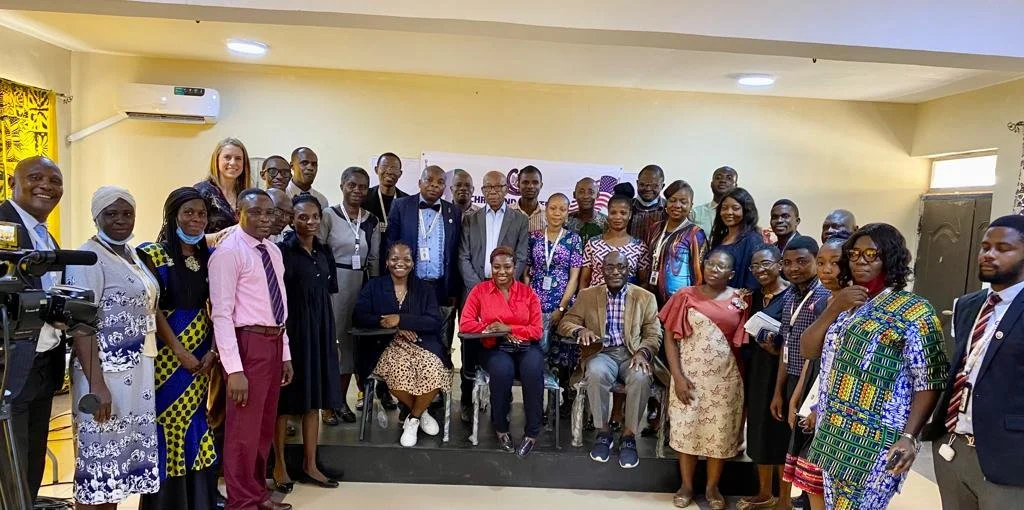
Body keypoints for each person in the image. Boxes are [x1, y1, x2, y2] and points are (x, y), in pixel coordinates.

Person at [801, 223, 948, 510]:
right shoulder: (844, 303)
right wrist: (834, 308)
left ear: (889, 258)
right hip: (835, 433)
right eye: (854, 253)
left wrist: (909, 437)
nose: (861, 260)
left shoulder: (915, 311)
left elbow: (929, 380)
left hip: (879, 439)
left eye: (872, 253)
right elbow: (809, 349)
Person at [67, 186, 161, 508]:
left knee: (118, 466)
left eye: (127, 213)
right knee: (99, 464)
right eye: (111, 213)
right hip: (105, 374)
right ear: (97, 217)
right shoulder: (88, 258)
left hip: (136, 373)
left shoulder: (130, 253)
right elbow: (81, 325)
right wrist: (97, 384)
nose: (121, 220)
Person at [924, 214, 1024, 509]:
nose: (989, 254)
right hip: (952, 444)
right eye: (985, 246)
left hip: (1007, 457)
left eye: (1003, 248)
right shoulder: (969, 305)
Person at [209, 188, 295, 510]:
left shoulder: (272, 251)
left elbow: (279, 307)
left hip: (273, 341)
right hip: (247, 344)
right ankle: (242, 501)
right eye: (255, 212)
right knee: (243, 431)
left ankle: (257, 494)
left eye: (269, 213)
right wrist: (234, 370)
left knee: (261, 428)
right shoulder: (228, 252)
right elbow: (221, 314)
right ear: (238, 215)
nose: (263, 219)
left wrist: (284, 352)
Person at [137, 188, 219, 510]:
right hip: (166, 350)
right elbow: (151, 309)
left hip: (202, 350)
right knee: (167, 419)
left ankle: (198, 501)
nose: (196, 220)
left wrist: (212, 350)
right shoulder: (152, 255)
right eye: (189, 213)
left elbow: (219, 307)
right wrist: (179, 351)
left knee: (195, 417)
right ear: (173, 216)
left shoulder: (209, 257)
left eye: (201, 214)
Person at [557, 251, 665, 469]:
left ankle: (628, 436)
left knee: (641, 375)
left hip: (631, 353)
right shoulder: (588, 295)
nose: (615, 271)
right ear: (602, 270)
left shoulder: (645, 297)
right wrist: (580, 331)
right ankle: (603, 432)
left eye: (621, 267)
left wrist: (644, 352)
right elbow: (565, 322)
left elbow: (654, 333)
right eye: (609, 267)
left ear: (629, 270)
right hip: (601, 353)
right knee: (595, 373)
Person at [659, 249, 749, 510]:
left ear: (731, 274)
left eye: (721, 267)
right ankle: (686, 485)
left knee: (718, 435)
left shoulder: (740, 300)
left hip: (727, 379)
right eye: (710, 263)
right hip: (689, 378)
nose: (713, 269)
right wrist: (677, 376)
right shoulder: (685, 296)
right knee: (686, 430)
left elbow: (744, 341)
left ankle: (712, 487)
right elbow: (669, 338)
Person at [1, 156, 65, 503]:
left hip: (44, 363)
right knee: (8, 462)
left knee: (31, 459)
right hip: (9, 365)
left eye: (54, 180)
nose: (46, 186)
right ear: (14, 182)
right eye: (35, 177)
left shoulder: (45, 236)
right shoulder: (2, 226)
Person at [271, 194, 341, 491]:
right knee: (285, 402)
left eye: (315, 217)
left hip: (320, 330)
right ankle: (279, 466)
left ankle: (310, 464)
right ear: (291, 218)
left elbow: (328, 294)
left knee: (315, 399)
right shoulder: (281, 251)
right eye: (303, 217)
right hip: (293, 332)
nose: (310, 222)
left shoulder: (324, 252)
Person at [354, 242, 452, 447]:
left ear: (413, 263)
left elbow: (433, 321)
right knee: (397, 372)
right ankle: (421, 412)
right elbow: (359, 316)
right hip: (385, 344)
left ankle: (413, 418)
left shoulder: (424, 289)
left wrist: (401, 319)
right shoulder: (374, 286)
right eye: (395, 259)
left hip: (422, 343)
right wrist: (391, 326)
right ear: (387, 262)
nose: (401, 263)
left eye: (407, 259)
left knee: (435, 369)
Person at [765, 236, 831, 509]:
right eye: (788, 263)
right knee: (791, 445)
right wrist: (780, 391)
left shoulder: (825, 298)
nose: (794, 268)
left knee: (809, 450)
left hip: (814, 382)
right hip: (792, 377)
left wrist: (804, 397)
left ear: (816, 261)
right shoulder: (790, 295)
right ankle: (789, 501)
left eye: (802, 262)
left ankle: (806, 501)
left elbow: (815, 353)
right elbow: (787, 348)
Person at [460, 246, 545, 457]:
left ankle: (532, 432)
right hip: (494, 347)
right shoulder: (479, 291)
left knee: (533, 368)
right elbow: (465, 324)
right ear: (491, 267)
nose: (502, 272)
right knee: (502, 369)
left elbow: (537, 331)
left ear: (515, 267)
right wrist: (492, 328)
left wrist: (509, 328)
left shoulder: (528, 293)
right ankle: (501, 428)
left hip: (525, 346)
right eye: (496, 267)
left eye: (507, 266)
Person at [458, 171, 529, 417]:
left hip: (506, 290)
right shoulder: (471, 219)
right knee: (470, 341)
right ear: (483, 190)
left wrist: (502, 284)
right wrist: (480, 288)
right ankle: (467, 400)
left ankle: (503, 398)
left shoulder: (519, 220)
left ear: (507, 190)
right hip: (475, 288)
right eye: (488, 187)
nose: (494, 192)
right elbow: (463, 256)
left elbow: (520, 257)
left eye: (498, 187)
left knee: (501, 341)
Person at [782, 236, 844, 510]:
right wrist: (797, 397)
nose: (827, 269)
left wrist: (821, 407)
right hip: (813, 386)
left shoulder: (855, 305)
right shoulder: (823, 304)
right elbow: (812, 355)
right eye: (822, 263)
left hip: (835, 399)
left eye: (835, 263)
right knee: (810, 474)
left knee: (821, 474)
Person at [321, 166, 380, 425]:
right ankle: (326, 404)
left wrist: (376, 293)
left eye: (363, 187)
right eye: (352, 185)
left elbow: (375, 259)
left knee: (350, 349)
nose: (357, 191)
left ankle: (340, 401)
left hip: (361, 286)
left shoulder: (371, 221)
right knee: (331, 345)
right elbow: (319, 253)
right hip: (334, 286)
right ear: (342, 185)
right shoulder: (328, 216)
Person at [737, 245, 792, 510]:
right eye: (755, 266)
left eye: (766, 264)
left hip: (782, 372)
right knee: (758, 432)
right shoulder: (754, 297)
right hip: (758, 371)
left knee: (780, 435)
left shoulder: (793, 295)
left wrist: (777, 345)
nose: (760, 270)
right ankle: (763, 493)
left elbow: (796, 339)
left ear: (780, 264)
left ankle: (784, 499)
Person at [524, 194, 583, 380]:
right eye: (553, 208)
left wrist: (562, 307)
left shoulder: (573, 239)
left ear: (567, 214)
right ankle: (535, 398)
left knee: (562, 355)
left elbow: (574, 277)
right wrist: (529, 301)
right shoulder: (533, 237)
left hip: (562, 302)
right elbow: (526, 272)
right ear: (545, 210)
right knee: (537, 352)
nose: (557, 213)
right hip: (535, 304)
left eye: (562, 209)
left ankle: (558, 403)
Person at [644, 179, 706, 306]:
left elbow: (700, 275)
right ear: (666, 203)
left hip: (680, 302)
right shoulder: (655, 228)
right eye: (672, 200)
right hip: (651, 298)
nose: (677, 205)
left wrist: (694, 303)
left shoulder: (695, 233)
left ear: (690, 206)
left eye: (683, 202)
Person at [580, 194, 650, 289]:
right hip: (596, 300)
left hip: (627, 301)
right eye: (613, 212)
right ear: (608, 214)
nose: (618, 217)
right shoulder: (593, 243)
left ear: (629, 215)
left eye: (623, 213)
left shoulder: (639, 246)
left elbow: (644, 282)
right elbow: (584, 280)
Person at [708, 187, 762, 292]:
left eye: (735, 208)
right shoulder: (719, 238)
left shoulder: (753, 240)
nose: (729, 212)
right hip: (713, 298)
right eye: (724, 208)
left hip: (737, 302)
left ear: (746, 211)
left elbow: (753, 281)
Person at [195, 137, 251, 233]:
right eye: (227, 157)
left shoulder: (247, 195)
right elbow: (189, 237)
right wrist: (217, 237)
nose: (233, 163)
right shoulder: (201, 192)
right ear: (216, 160)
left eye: (238, 158)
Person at [363, 152, 408, 263]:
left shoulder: (407, 202)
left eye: (394, 168)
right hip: (368, 260)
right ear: (376, 169)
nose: (389, 171)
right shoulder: (364, 198)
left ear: (400, 173)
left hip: (396, 262)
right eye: (384, 166)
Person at [689, 166, 737, 235]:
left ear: (735, 186)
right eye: (718, 178)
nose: (723, 181)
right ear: (711, 184)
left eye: (729, 178)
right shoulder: (695, 214)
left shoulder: (741, 215)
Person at [628, 164, 667, 244]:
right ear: (637, 183)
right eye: (642, 184)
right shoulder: (626, 206)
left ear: (662, 186)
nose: (648, 189)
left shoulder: (669, 209)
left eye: (654, 186)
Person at [565, 177, 607, 246]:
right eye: (581, 192)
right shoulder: (566, 221)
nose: (586, 196)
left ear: (598, 195)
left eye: (591, 192)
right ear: (574, 195)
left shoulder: (607, 223)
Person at [285, 147, 329, 211]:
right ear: (292, 166)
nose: (310, 168)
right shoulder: (282, 195)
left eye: (314, 164)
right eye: (304, 163)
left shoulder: (322, 200)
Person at [510, 165, 546, 232]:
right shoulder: (507, 212)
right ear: (518, 185)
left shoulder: (548, 215)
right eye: (525, 182)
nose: (530, 186)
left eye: (535, 182)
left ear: (541, 185)